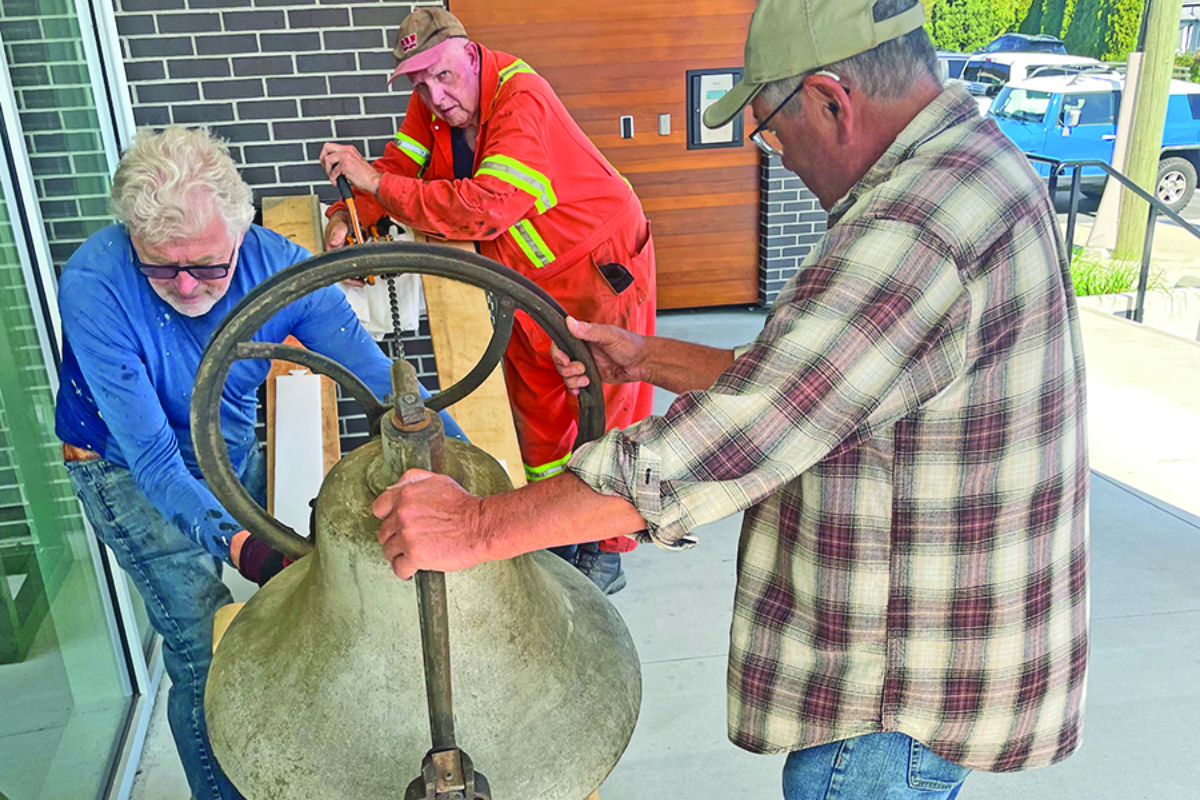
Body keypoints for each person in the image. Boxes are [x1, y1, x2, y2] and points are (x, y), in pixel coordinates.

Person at [371, 0, 1091, 797]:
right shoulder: (969, 165)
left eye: (771, 129)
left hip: (888, 699)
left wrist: (473, 527)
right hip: (925, 657)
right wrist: (648, 357)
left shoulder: (914, 226)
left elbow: (735, 439)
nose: (774, 154)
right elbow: (828, 381)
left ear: (831, 99)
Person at [54, 127, 462, 800]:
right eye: (162, 267)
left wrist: (476, 487)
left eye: (209, 266)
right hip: (124, 470)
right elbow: (156, 461)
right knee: (201, 653)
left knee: (269, 622)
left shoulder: (281, 268)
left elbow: (386, 385)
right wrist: (245, 546)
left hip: (226, 438)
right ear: (131, 237)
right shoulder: (95, 285)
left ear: (240, 231)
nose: (186, 285)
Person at [317, 7, 656, 595]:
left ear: (470, 55)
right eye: (419, 81)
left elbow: (488, 204)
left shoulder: (522, 97)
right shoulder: (431, 105)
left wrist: (374, 186)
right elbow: (401, 168)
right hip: (521, 278)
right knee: (538, 405)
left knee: (605, 405)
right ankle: (556, 529)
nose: (435, 94)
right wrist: (353, 214)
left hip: (595, 271)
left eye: (443, 75)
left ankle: (606, 549)